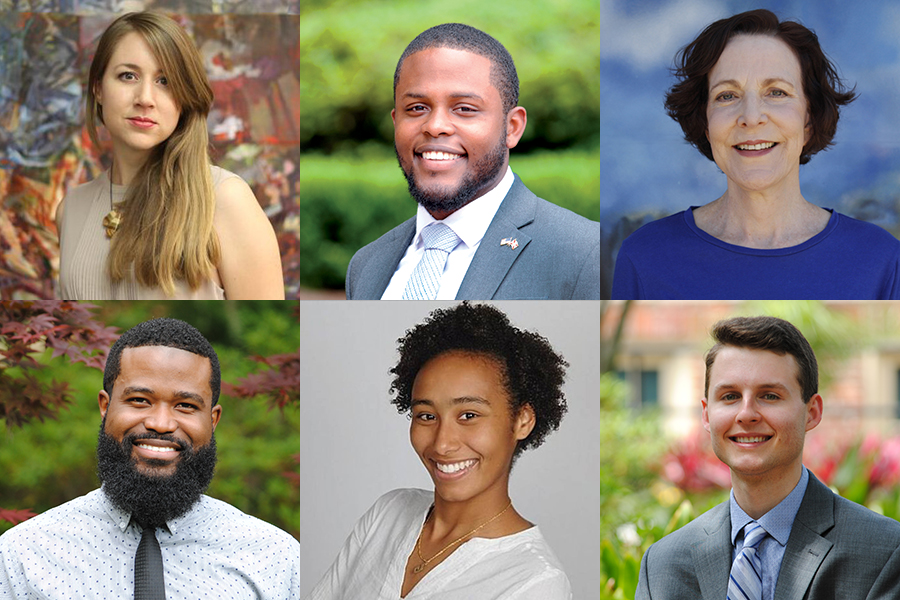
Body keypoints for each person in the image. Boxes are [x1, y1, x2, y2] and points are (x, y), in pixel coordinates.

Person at [0, 318, 299, 599]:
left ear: (213, 419)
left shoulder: (276, 558)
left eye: (185, 405)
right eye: (140, 400)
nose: (161, 423)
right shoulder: (22, 554)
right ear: (105, 406)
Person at [612, 9, 900, 299]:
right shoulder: (645, 256)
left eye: (776, 92)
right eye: (727, 96)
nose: (751, 117)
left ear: (808, 120)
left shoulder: (880, 259)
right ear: (706, 124)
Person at [307, 303, 572, 599]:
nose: (442, 444)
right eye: (427, 416)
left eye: (469, 416)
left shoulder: (535, 582)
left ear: (522, 420)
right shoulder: (388, 514)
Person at [637, 316, 900, 599]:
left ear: (812, 412)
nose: (746, 413)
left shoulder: (884, 552)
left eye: (769, 396)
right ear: (706, 414)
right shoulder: (662, 565)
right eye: (729, 396)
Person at [345, 23, 600, 300]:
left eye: (464, 109)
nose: (435, 126)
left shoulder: (586, 253)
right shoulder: (366, 265)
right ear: (396, 122)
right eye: (417, 108)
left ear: (512, 127)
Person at [57, 11, 284, 300]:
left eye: (165, 81)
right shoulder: (70, 209)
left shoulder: (225, 199)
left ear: (185, 97)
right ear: (99, 88)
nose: (145, 98)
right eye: (128, 76)